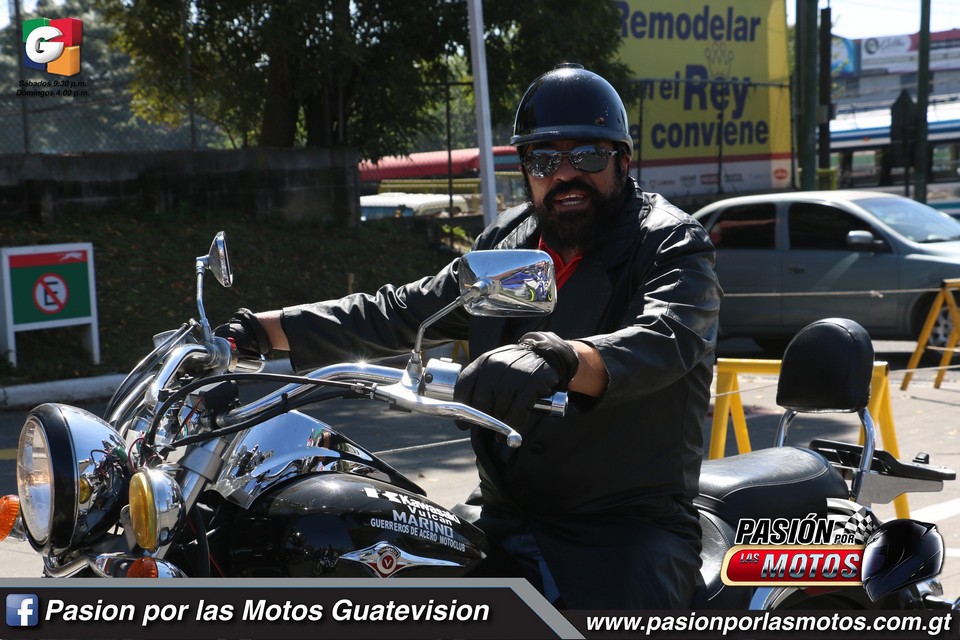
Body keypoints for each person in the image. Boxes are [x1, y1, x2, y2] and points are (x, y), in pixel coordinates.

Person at [216, 63, 721, 609]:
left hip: (622, 527)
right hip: (503, 514)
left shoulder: (668, 242)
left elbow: (666, 337)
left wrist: (565, 358)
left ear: (622, 160)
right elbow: (401, 310)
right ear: (525, 170)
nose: (565, 175)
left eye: (587, 157)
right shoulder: (508, 244)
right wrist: (258, 330)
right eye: (544, 160)